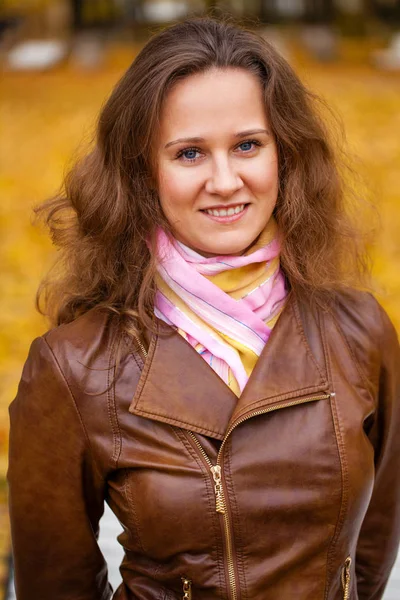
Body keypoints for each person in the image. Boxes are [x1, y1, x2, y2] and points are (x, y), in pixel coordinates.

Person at [7, 16, 400, 600]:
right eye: (190, 153)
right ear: (143, 173)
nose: (226, 180)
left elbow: (372, 548)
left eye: (247, 145)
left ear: (284, 154)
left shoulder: (360, 331)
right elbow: (54, 584)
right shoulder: (73, 368)